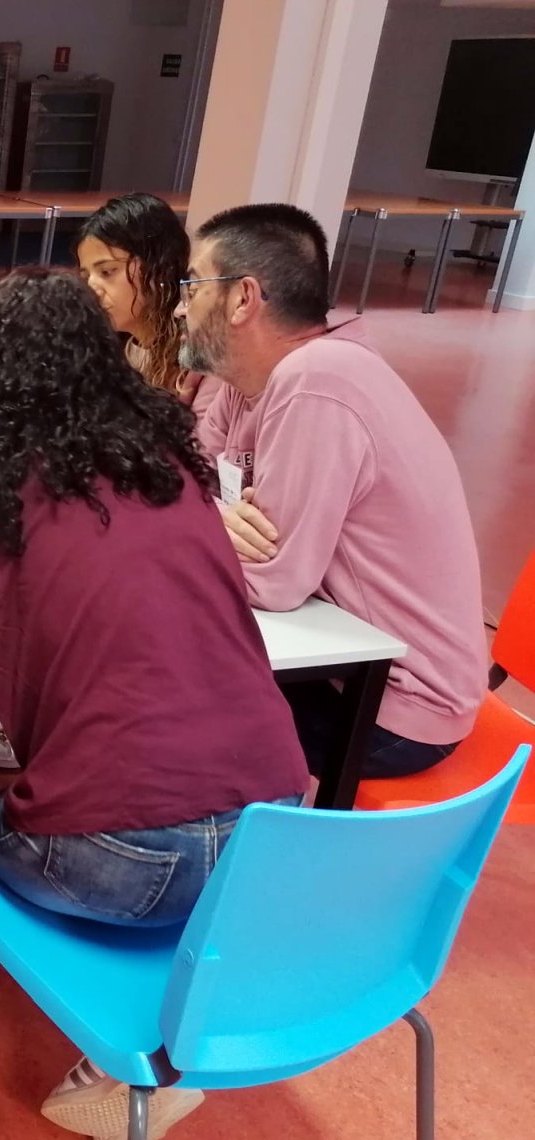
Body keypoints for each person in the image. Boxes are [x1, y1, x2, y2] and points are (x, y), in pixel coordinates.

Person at [0, 268, 308, 1140]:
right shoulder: (167, 457)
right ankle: (186, 1005)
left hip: (127, 858)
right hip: (274, 835)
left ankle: (125, 1061)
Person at [180, 203, 486, 780]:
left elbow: (272, 581)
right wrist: (212, 514)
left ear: (243, 298)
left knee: (156, 684)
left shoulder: (318, 379)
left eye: (193, 286)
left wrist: (196, 517)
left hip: (391, 709)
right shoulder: (249, 379)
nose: (180, 306)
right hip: (337, 661)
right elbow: (182, 474)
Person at [76, 192, 216, 411]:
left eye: (107, 271)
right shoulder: (106, 348)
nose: (92, 288)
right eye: (86, 277)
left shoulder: (199, 355)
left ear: (159, 267)